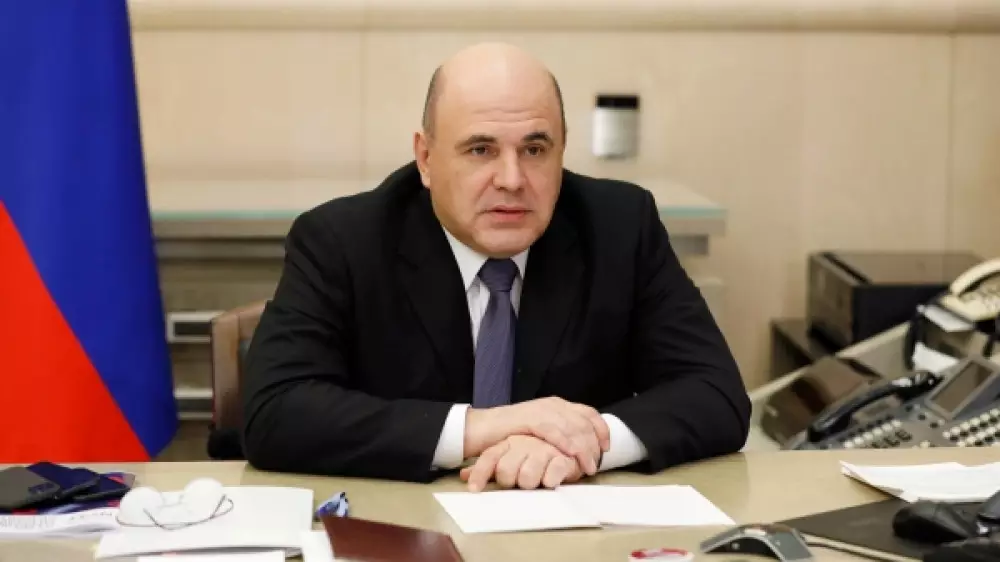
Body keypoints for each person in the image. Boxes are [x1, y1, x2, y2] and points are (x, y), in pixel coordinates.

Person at [241, 42, 751, 491]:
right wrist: (486, 428)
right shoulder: (343, 240)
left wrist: (582, 443)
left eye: (535, 149)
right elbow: (275, 411)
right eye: (481, 149)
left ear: (562, 151)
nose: (511, 179)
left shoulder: (620, 227)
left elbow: (716, 394)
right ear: (425, 158)